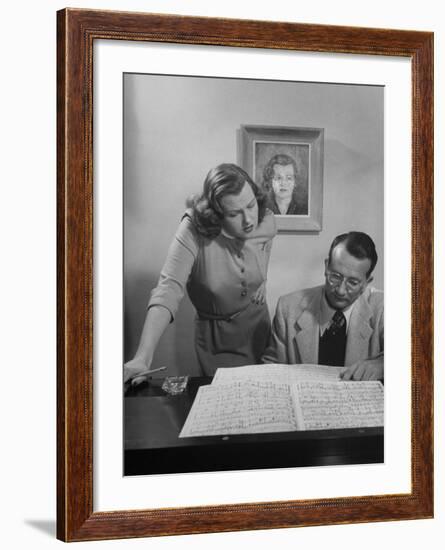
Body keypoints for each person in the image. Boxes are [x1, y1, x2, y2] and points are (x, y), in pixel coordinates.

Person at [124, 163, 277, 383]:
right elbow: (168, 289)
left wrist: (264, 278)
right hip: (217, 340)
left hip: (258, 329)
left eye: (251, 205)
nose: (249, 220)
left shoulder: (266, 219)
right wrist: (143, 357)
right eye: (234, 213)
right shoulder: (193, 229)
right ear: (216, 214)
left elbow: (267, 240)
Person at [263, 232, 384, 381]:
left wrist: (383, 365)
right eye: (335, 276)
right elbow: (270, 370)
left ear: (367, 282)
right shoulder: (288, 308)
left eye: (353, 282)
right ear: (326, 267)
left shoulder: (383, 308)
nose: (340, 290)